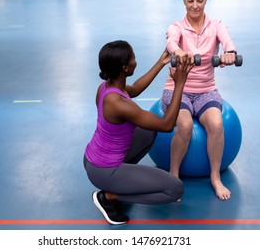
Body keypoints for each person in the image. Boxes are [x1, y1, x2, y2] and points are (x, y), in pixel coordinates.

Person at [83, 40, 194, 225]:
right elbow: (167, 125)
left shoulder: (107, 86)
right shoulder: (119, 104)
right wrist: (180, 83)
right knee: (175, 189)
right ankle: (110, 195)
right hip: (104, 170)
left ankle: (120, 182)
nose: (136, 60)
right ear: (126, 68)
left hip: (92, 159)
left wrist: (161, 62)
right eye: (133, 58)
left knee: (147, 131)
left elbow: (134, 89)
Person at [162, 0, 238, 201]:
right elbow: (171, 43)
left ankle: (215, 177)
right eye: (190, 1)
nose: (195, 6)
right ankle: (173, 176)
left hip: (206, 90)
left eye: (200, 0)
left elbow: (228, 42)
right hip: (178, 89)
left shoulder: (216, 25)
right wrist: (179, 52)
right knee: (184, 125)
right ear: (184, 0)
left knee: (216, 123)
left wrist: (230, 53)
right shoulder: (176, 27)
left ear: (206, 0)